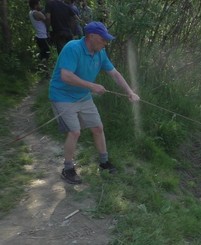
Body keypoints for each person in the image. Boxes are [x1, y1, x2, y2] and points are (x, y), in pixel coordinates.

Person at [49, 21, 140, 184]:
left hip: (82, 96)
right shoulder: (73, 48)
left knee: (98, 128)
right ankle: (68, 168)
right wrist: (92, 86)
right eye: (103, 39)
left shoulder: (100, 52)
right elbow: (66, 76)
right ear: (91, 36)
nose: (106, 42)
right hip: (62, 95)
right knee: (74, 131)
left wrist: (130, 92)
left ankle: (104, 162)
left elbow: (115, 74)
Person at [28, 0, 50, 65]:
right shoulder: (36, 13)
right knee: (47, 54)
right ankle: (45, 69)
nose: (40, 5)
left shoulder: (31, 12)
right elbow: (47, 19)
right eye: (39, 4)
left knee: (44, 54)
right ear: (35, 5)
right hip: (42, 36)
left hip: (39, 36)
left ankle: (44, 70)